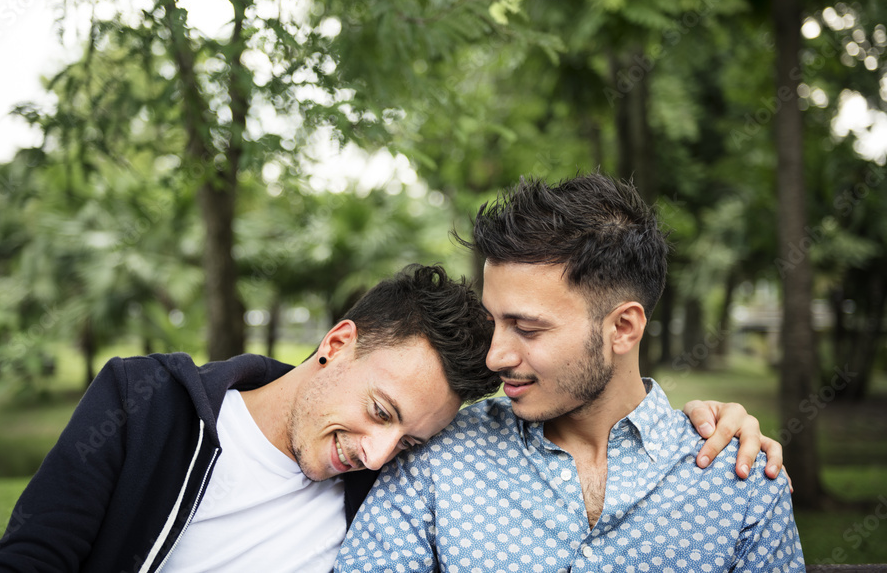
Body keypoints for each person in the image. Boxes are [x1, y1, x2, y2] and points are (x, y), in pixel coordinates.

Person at [0, 265, 782, 573]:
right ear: (337, 344)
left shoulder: (392, 491)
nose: (378, 452)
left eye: (410, 440)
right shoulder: (145, 406)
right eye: (381, 412)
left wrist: (698, 418)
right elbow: (26, 561)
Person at [336, 175, 804, 572]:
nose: (494, 356)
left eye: (526, 328)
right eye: (494, 322)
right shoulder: (438, 458)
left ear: (623, 327)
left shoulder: (740, 482)